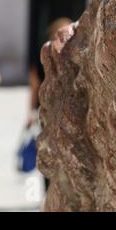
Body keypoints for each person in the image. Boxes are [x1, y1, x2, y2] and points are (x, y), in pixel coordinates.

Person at [26, 17, 72, 189]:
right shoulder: (43, 57)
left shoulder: (72, 57)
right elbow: (34, 87)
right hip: (47, 114)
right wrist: (31, 113)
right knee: (49, 152)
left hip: (65, 114)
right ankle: (50, 192)